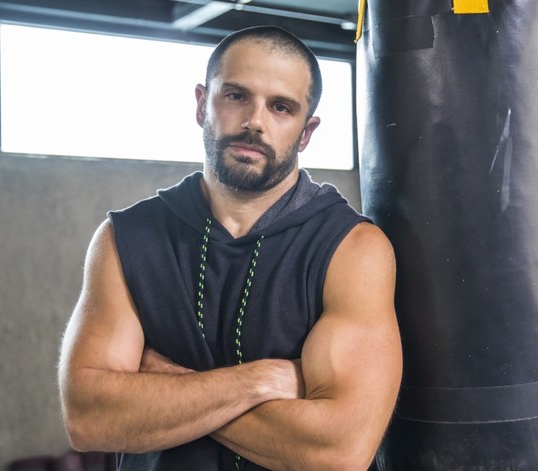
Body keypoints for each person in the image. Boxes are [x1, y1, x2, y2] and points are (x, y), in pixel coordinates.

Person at [57, 25, 402, 470]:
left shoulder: (353, 249)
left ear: (306, 132)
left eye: (281, 107)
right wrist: (259, 380)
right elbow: (89, 418)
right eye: (236, 96)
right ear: (203, 104)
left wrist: (167, 387)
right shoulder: (126, 239)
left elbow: (337, 451)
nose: (255, 121)